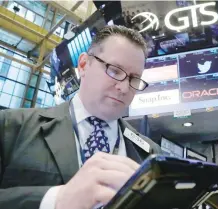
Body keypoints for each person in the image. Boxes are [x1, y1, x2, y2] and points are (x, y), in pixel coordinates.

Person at [0, 25, 162, 209]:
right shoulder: (10, 127)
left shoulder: (151, 154)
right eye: (115, 70)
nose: (124, 88)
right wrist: (56, 200)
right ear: (84, 65)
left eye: (134, 79)